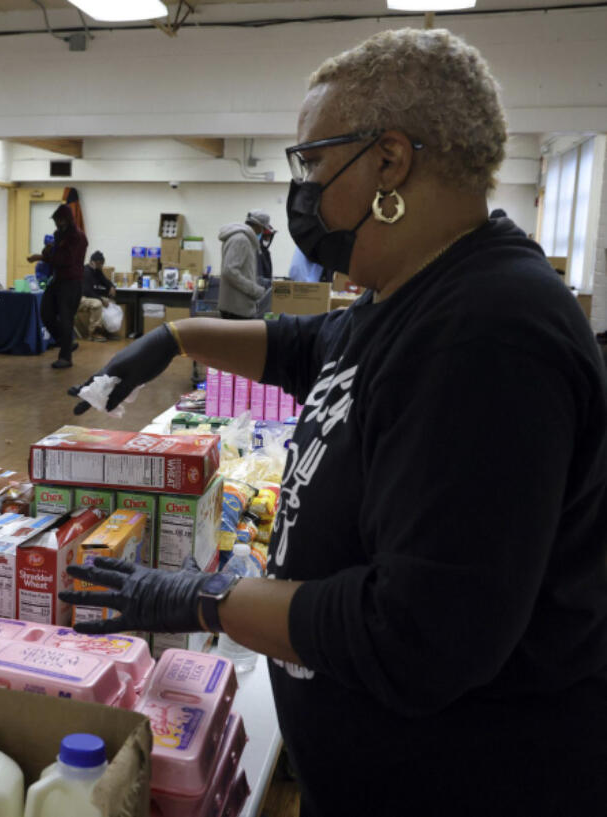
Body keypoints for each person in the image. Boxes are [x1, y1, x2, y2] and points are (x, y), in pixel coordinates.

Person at [64, 29, 607, 816]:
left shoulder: (491, 331)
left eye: (314, 163)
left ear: (390, 160)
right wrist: (177, 336)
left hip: (469, 781)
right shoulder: (410, 286)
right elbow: (313, 345)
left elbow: (416, 631)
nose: (305, 192)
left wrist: (207, 595)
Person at [29, 204, 88, 369]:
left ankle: (65, 357)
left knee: (66, 318)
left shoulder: (78, 237)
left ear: (66, 219)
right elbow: (54, 254)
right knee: (45, 313)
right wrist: (47, 251)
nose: (56, 224)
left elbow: (65, 260)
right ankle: (66, 342)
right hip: (57, 280)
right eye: (55, 221)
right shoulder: (58, 234)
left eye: (58, 220)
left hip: (71, 282)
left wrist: (42, 256)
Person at [216, 212, 269, 319]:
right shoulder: (241, 240)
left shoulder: (239, 238)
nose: (262, 233)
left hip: (236, 308)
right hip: (237, 310)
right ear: (258, 226)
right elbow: (229, 271)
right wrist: (255, 290)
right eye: (263, 229)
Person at [76, 251, 115, 341]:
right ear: (95, 262)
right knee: (97, 303)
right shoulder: (85, 272)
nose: (102, 266)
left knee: (109, 302)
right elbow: (87, 291)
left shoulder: (96, 271)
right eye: (101, 264)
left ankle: (104, 330)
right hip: (79, 298)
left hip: (88, 297)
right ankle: (93, 333)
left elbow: (105, 281)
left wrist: (111, 286)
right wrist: (101, 299)